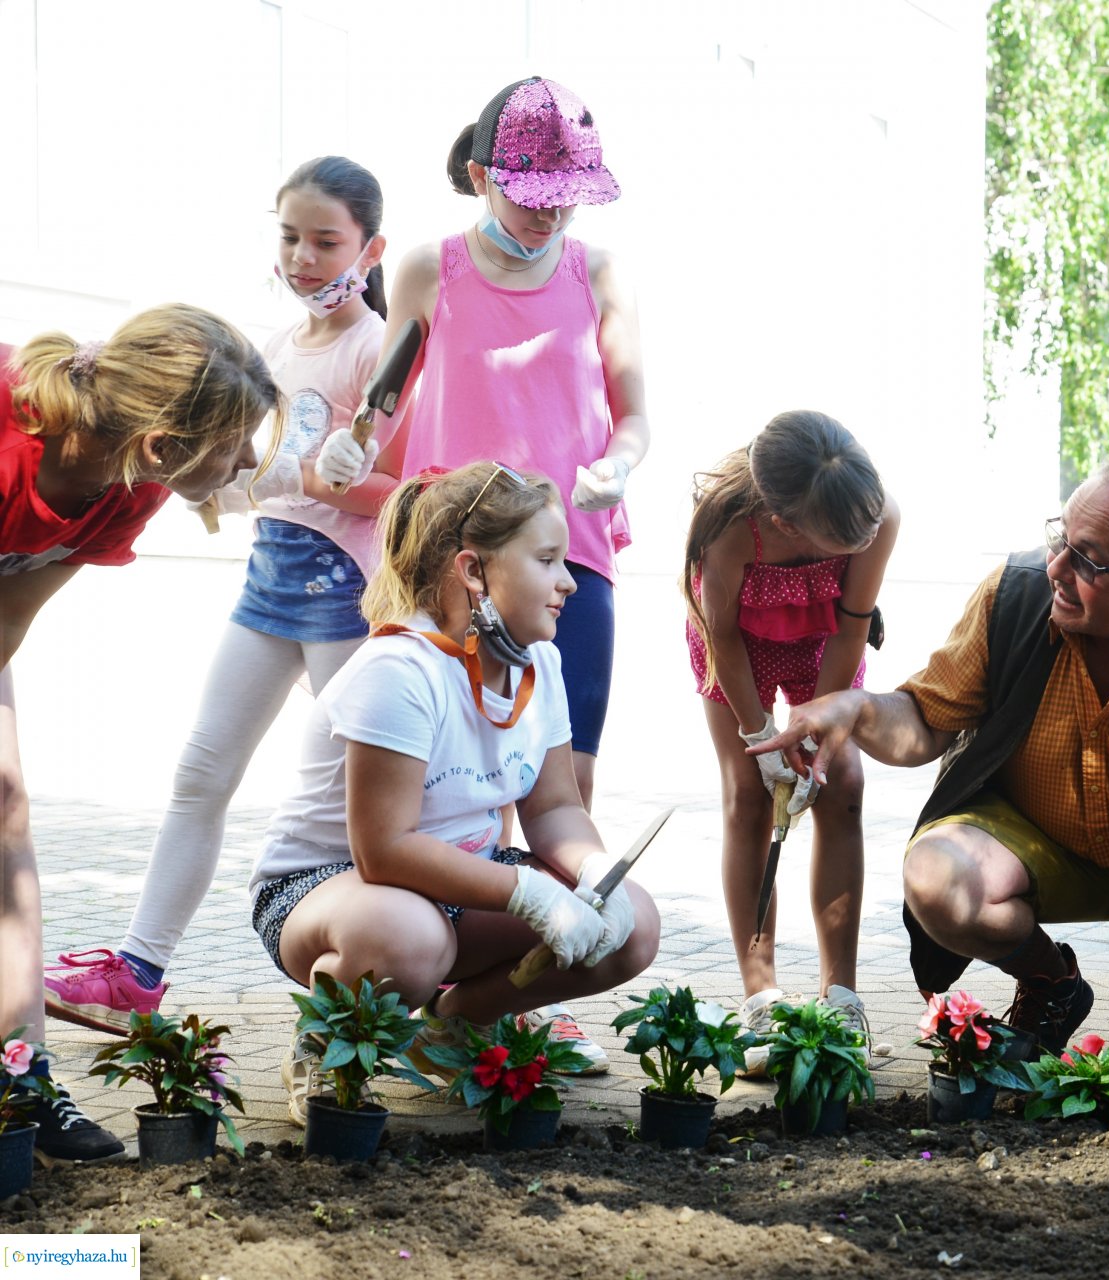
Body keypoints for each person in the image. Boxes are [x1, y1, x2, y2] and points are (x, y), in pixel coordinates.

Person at [754, 456, 1109, 1131]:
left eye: (1086, 560)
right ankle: (1050, 985)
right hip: (1029, 836)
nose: (1057, 566)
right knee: (936, 876)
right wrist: (853, 709)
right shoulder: (1017, 593)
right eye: (1061, 536)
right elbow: (925, 722)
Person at [317, 76, 652, 1060]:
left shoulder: (598, 273)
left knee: (561, 793)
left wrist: (620, 462)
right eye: (531, 192)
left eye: (567, 195)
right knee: (426, 780)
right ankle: (400, 966)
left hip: (570, 552)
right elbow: (387, 391)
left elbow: (633, 411)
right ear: (480, 176)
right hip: (450, 555)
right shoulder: (434, 268)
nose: (550, 211)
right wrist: (351, 449)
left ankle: (487, 1004)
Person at [44, 157, 394, 1035]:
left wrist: (342, 480)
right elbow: (239, 482)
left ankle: (382, 993)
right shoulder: (271, 349)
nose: (305, 257)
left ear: (370, 247)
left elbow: (407, 491)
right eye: (289, 237)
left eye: (326, 240)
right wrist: (267, 480)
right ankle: (138, 972)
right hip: (268, 584)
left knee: (360, 803)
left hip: (346, 595)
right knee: (201, 772)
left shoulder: (376, 345)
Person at [246, 462, 660, 1121]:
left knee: (630, 924)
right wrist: (532, 894)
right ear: (474, 572)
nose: (568, 582)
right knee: (407, 937)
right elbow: (383, 851)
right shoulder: (400, 669)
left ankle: (452, 1027)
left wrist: (594, 873)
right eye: (548, 560)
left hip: (453, 889)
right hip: (330, 885)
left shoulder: (540, 663)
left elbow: (554, 809)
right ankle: (330, 1041)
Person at [2, 306, 275, 1161]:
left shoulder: (131, 486)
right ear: (164, 442)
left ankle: (19, 1081)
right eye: (236, 444)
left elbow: (10, 618)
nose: (247, 464)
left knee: (6, 816)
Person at [683, 411, 898, 1071]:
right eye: (838, 541)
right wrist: (762, 735)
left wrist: (815, 731)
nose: (856, 544)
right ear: (784, 526)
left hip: (823, 640)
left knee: (844, 786)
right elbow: (721, 635)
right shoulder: (729, 525)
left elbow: (854, 623)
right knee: (749, 796)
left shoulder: (874, 515)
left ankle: (841, 994)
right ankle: (761, 992)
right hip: (737, 645)